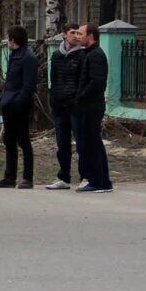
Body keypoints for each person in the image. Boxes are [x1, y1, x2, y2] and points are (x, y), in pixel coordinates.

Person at [0, 25, 39, 189]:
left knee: (23, 141)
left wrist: (18, 103)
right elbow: (10, 83)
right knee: (9, 141)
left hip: (19, 106)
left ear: (13, 40)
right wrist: (2, 99)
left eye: (8, 38)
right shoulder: (15, 55)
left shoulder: (28, 57)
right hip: (9, 103)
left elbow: (28, 86)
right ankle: (9, 177)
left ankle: (28, 178)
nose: (7, 41)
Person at [44, 23, 84, 190]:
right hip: (59, 105)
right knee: (62, 143)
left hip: (75, 105)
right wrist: (53, 99)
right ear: (64, 35)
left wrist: (77, 99)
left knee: (81, 143)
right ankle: (63, 177)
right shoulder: (57, 55)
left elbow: (83, 80)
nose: (76, 35)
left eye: (78, 33)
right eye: (72, 32)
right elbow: (53, 78)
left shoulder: (82, 55)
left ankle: (85, 176)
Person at [74, 23, 112, 193]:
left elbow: (96, 82)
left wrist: (81, 96)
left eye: (81, 33)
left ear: (90, 36)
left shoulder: (96, 55)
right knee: (92, 143)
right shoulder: (89, 54)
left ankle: (98, 182)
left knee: (92, 143)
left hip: (92, 105)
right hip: (88, 105)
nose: (78, 36)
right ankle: (101, 181)